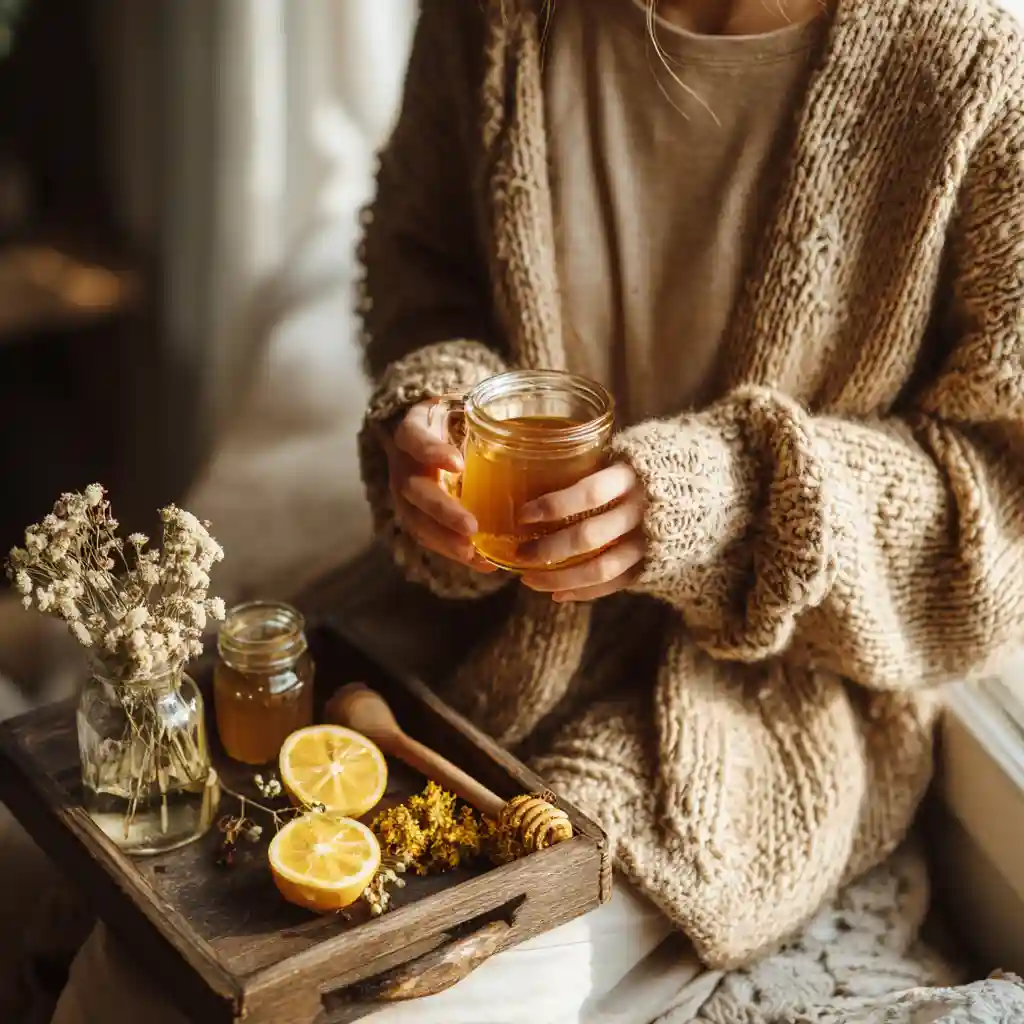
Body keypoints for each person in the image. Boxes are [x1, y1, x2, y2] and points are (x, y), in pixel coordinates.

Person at [50, 0, 1024, 1021]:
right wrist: (436, 411)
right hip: (459, 630)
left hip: (735, 711)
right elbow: (423, 266)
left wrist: (729, 506)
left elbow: (997, 515)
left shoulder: (972, 65)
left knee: (392, 1004)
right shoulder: (495, 15)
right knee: (129, 975)